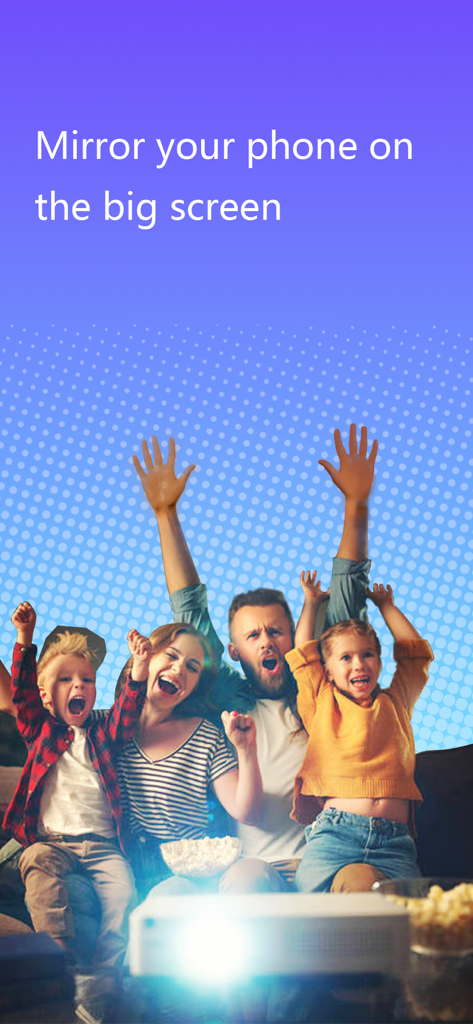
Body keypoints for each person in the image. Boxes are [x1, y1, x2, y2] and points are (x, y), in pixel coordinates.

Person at [132, 424, 378, 891]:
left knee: (363, 887)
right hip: (254, 867)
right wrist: (166, 514)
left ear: (296, 637)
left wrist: (356, 504)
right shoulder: (228, 697)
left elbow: (348, 596)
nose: (266, 641)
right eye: (252, 635)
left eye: (276, 631)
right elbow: (190, 611)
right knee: (242, 886)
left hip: (326, 860)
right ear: (233, 651)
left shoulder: (324, 687)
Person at [3, 602, 149, 1024]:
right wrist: (25, 639)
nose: (78, 685)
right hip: (53, 843)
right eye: (65, 680)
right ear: (47, 695)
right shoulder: (41, 729)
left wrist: (139, 666)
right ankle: (60, 955)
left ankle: (102, 979)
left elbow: (127, 713)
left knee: (123, 898)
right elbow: (22, 695)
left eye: (86, 679)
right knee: (34, 862)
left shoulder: (103, 733)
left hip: (104, 847)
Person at [288, 584, 434, 893]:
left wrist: (387, 606)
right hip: (336, 835)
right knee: (307, 901)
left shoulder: (396, 702)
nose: (358, 663)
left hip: (394, 842)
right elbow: (302, 649)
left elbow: (416, 653)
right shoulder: (321, 700)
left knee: (412, 914)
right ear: (327, 671)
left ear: (380, 663)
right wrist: (311, 603)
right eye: (346, 657)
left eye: (367, 654)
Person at [114, 621, 262, 898]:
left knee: (169, 896)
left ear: (195, 686)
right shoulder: (107, 729)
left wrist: (246, 750)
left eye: (192, 667)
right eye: (171, 655)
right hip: (124, 869)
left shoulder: (206, 736)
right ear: (146, 655)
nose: (179, 668)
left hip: (188, 874)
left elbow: (247, 813)